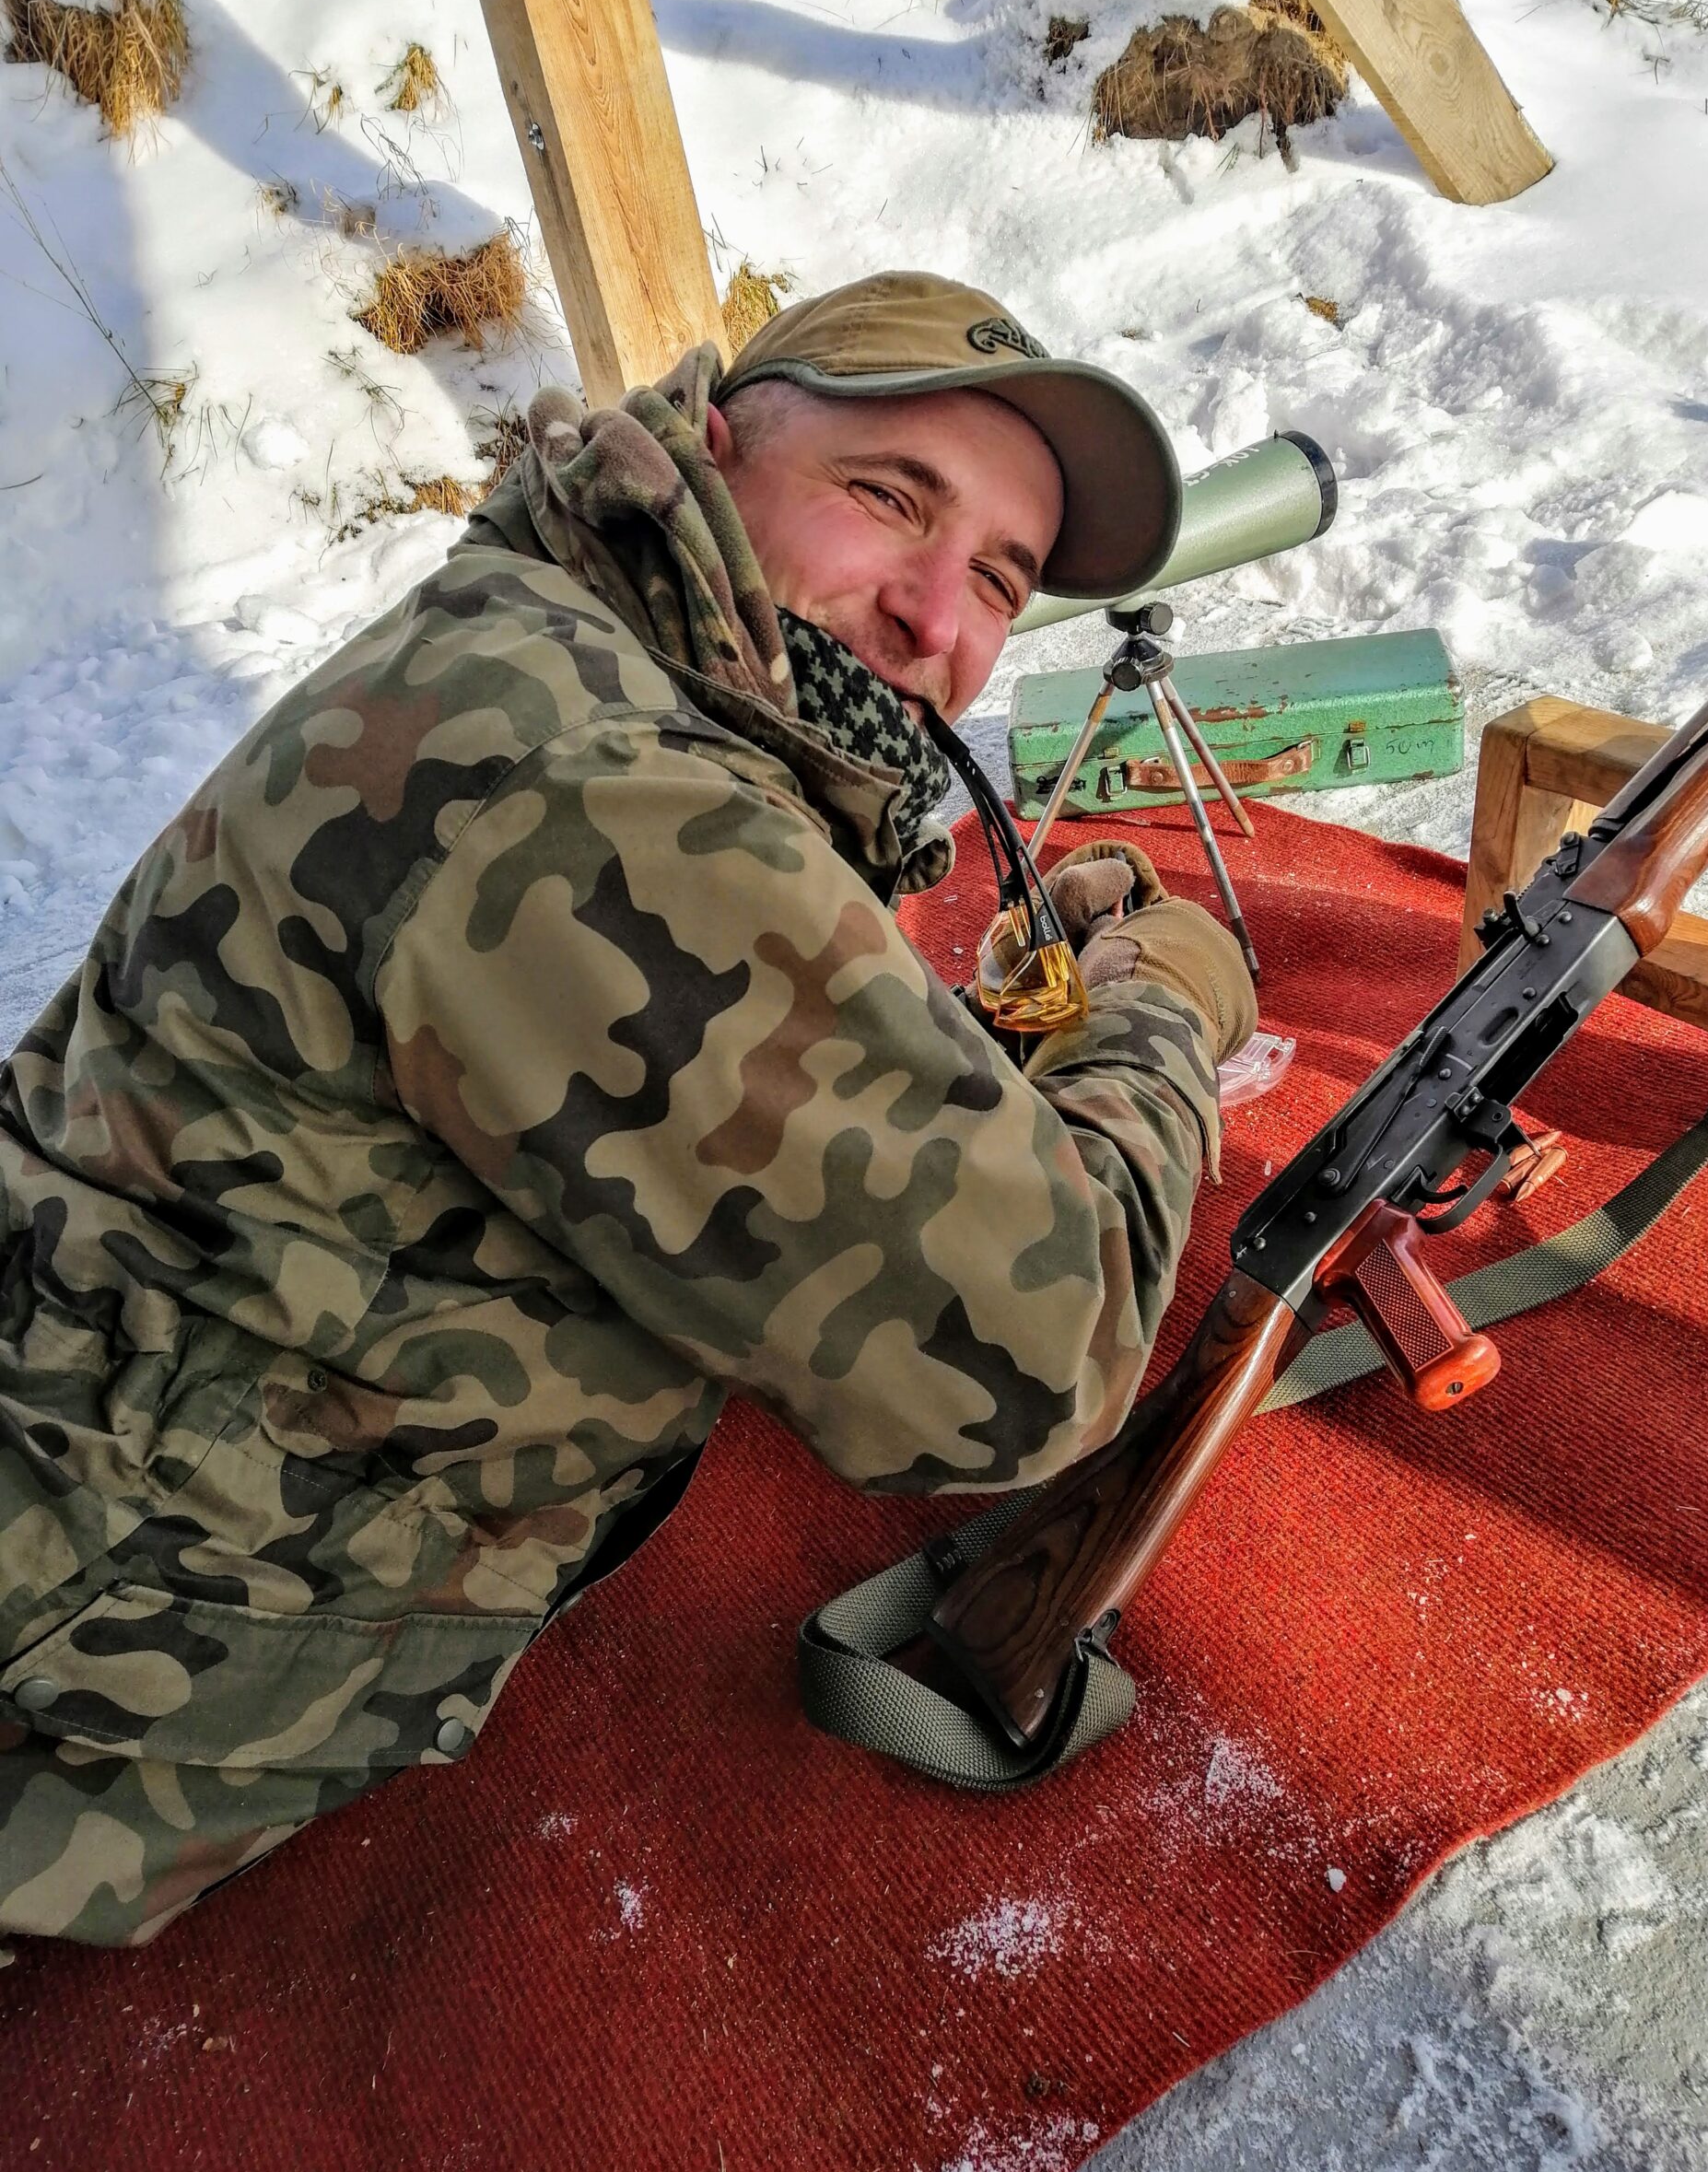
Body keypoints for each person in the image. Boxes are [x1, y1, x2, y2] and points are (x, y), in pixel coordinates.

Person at [0, 271, 1255, 1950]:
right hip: (77, 1668)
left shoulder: (552, 637)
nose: (930, 619)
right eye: (892, 501)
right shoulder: (596, 780)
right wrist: (1165, 1005)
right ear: (716, 449)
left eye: (996, 582)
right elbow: (1039, 1353)